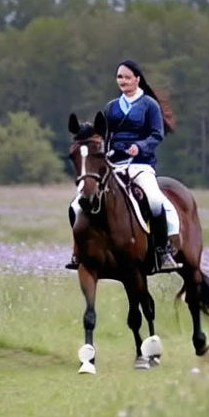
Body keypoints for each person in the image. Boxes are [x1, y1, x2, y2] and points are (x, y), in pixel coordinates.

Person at [66, 60, 181, 272]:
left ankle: (163, 252)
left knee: (155, 200)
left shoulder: (149, 105)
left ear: (137, 79)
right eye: (120, 77)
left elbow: (157, 134)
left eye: (127, 77)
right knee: (76, 204)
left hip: (140, 165)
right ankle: (79, 251)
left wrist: (140, 146)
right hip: (114, 164)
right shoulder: (111, 107)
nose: (123, 81)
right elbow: (102, 134)